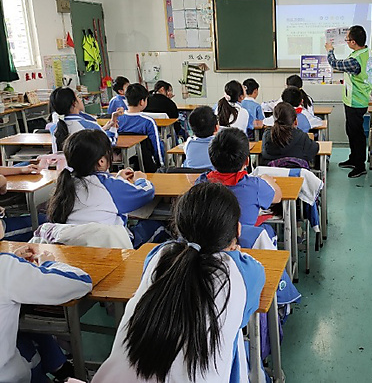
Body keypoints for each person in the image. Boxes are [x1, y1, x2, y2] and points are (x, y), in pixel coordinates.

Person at [93, 182, 266, 383]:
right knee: (234, 341)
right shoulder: (241, 272)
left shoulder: (159, 255)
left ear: (179, 227)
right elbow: (254, 282)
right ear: (237, 229)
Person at [0, 233, 92, 383]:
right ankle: (64, 370)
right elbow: (81, 282)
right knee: (31, 339)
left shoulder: (6, 268)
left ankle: (61, 368)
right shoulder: (5, 268)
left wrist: (16, 263)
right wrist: (48, 263)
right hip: (9, 375)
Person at [46, 129, 157, 247]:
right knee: (155, 225)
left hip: (72, 247)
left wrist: (118, 178)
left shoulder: (66, 183)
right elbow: (146, 193)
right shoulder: (108, 185)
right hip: (109, 248)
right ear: (102, 161)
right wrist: (140, 179)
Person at [196, 128, 281, 226]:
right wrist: (268, 180)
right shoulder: (256, 186)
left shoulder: (201, 183)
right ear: (247, 161)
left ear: (212, 160)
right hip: (245, 235)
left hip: (213, 235)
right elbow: (278, 197)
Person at [325, 25, 372, 178]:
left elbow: (335, 64)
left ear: (353, 42)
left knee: (357, 134)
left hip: (356, 100)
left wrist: (330, 50)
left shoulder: (356, 60)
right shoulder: (366, 51)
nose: (346, 41)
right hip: (354, 99)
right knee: (351, 131)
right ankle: (353, 159)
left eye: (347, 39)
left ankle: (360, 165)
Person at [49, 86, 120, 152]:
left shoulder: (55, 128)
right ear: (74, 103)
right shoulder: (89, 125)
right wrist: (113, 126)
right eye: (78, 97)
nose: (80, 100)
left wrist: (103, 129)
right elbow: (111, 142)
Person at [118, 83, 165, 170]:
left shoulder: (118, 119)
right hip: (146, 166)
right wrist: (161, 164)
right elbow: (156, 145)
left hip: (121, 167)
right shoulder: (148, 122)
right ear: (142, 102)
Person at [183, 106, 217, 170]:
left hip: (191, 175)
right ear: (216, 128)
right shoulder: (219, 143)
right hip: (213, 175)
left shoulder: (189, 143)